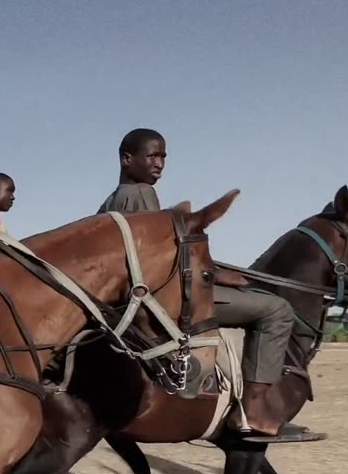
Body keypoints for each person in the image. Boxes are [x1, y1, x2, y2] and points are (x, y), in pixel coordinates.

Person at [97, 128, 320, 441]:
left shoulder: (114, 199)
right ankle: (255, 410)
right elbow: (160, 263)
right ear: (126, 159)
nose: (160, 163)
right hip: (167, 299)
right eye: (152, 156)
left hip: (153, 296)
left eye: (163, 157)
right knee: (276, 309)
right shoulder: (140, 194)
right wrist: (215, 276)